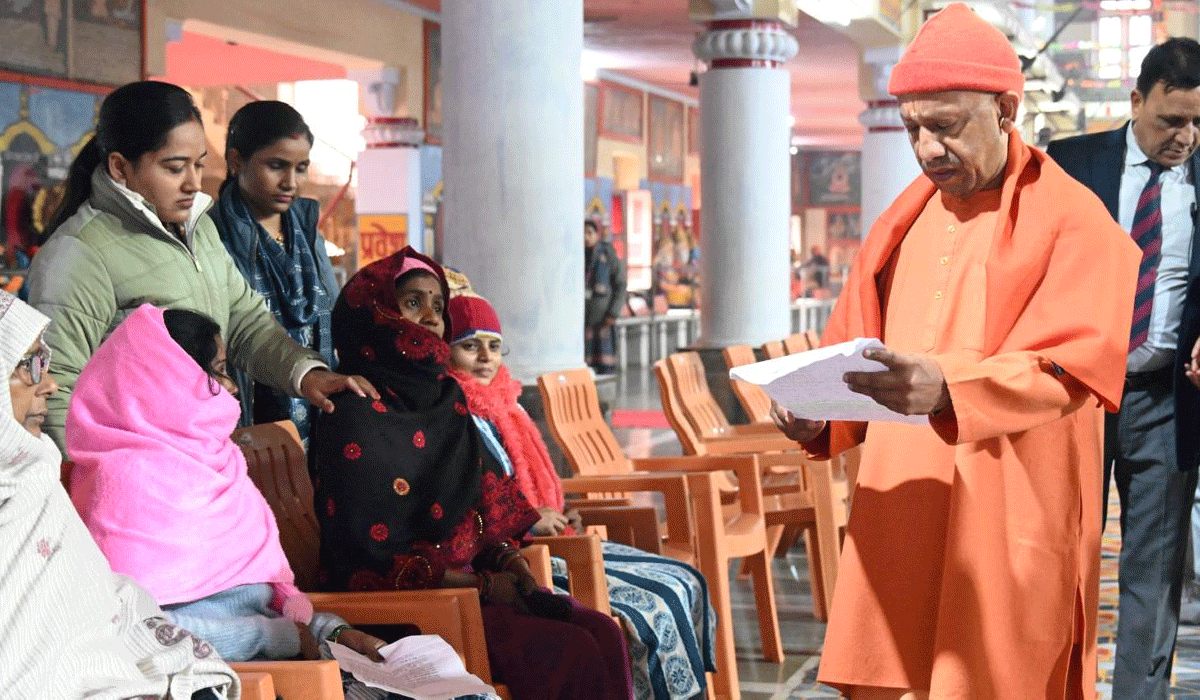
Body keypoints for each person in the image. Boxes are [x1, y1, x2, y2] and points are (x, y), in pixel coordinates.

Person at [771, 5, 1140, 699]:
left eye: (945, 126)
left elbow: (1070, 368)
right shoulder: (901, 220)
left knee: (995, 677)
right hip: (900, 498)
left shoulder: (1074, 217)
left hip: (1009, 505)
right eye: (913, 128)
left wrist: (947, 387)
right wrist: (817, 414)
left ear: (1006, 108)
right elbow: (851, 351)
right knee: (888, 671)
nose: (927, 149)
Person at [312, 246, 634, 700]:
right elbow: (372, 559)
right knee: (570, 649)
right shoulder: (356, 414)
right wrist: (481, 585)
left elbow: (481, 508)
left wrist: (509, 561)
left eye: (438, 306)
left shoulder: (445, 399)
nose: (429, 317)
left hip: (470, 591)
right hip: (408, 609)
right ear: (374, 316)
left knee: (600, 629)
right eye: (411, 303)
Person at [25, 80, 375, 455]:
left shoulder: (199, 228)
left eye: (199, 165)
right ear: (120, 167)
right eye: (175, 168)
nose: (193, 183)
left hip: (200, 458)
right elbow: (55, 390)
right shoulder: (79, 254)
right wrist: (82, 492)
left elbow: (245, 321)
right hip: (135, 473)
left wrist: (307, 375)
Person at [65, 304, 392, 674]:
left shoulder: (218, 461)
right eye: (218, 371)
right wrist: (276, 638)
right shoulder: (126, 484)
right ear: (171, 379)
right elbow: (146, 635)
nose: (233, 387)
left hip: (278, 665)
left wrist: (334, 632)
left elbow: (258, 600)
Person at [446, 293, 715, 700]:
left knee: (684, 580)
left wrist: (560, 510)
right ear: (444, 351)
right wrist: (530, 516)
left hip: (557, 538)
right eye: (470, 346)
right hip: (527, 554)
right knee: (652, 605)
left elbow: (538, 486)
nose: (486, 356)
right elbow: (470, 502)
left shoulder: (508, 408)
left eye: (494, 345)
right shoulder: (451, 417)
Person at [1046, 38, 1200, 700]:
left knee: (1154, 566)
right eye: (1172, 121)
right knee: (1061, 557)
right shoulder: (1074, 165)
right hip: (1073, 395)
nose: (1186, 137)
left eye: (1199, 122)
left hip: (1167, 398)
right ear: (1136, 101)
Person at [0, 290, 238, 699]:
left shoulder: (34, 476)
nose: (52, 386)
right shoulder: (121, 478)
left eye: (46, 364)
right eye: (30, 365)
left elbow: (102, 597)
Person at [211, 100, 339, 440]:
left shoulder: (310, 236)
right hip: (245, 419)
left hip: (319, 412)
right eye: (277, 166)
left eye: (300, 168)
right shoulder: (212, 238)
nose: (290, 182)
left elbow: (335, 317)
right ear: (236, 161)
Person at [585, 219, 625, 374]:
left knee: (604, 363)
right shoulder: (578, 255)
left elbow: (620, 284)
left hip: (603, 318)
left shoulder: (607, 254)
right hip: (585, 318)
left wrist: (613, 312)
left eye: (590, 233)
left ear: (597, 234)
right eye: (583, 233)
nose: (586, 237)